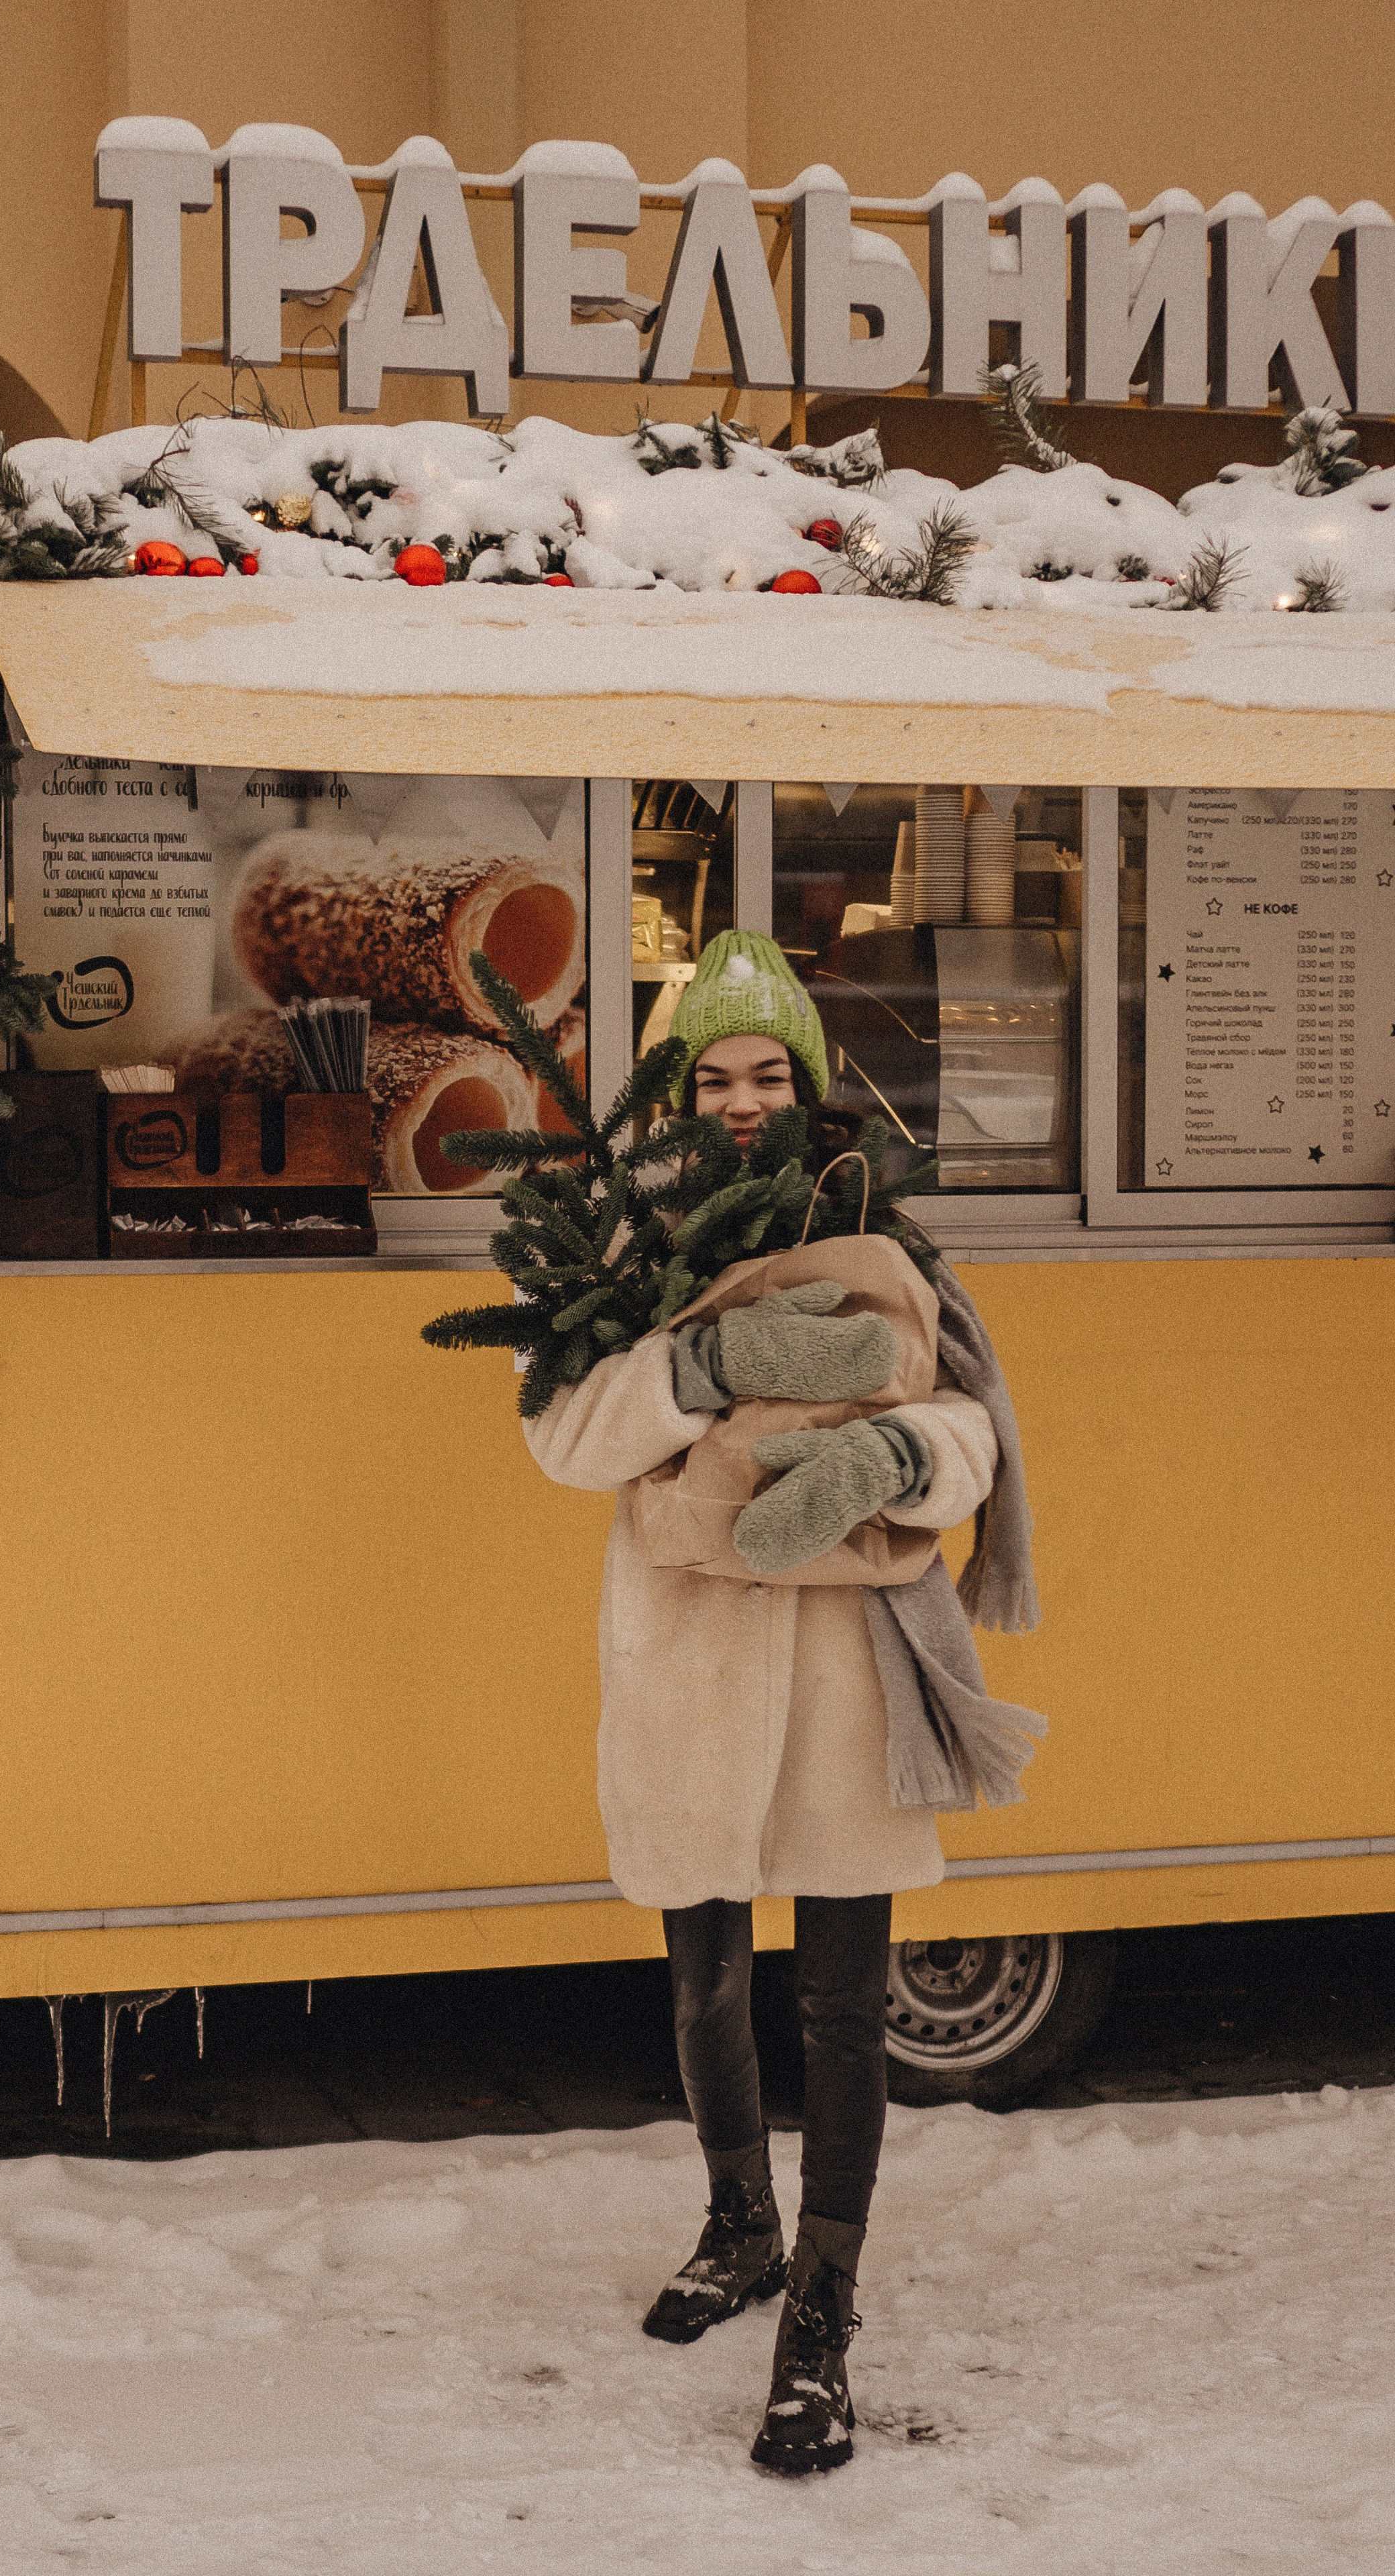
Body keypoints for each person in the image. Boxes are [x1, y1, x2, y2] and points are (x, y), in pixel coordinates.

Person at [523, 929, 1043, 2477]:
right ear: (680, 1092)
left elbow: (966, 1423)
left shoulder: (878, 1234)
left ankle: (823, 2307)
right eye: (716, 1075)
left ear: (809, 1091)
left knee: (836, 1999)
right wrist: (701, 1364)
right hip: (686, 1650)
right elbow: (562, 1440)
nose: (743, 1100)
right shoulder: (626, 1250)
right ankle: (735, 2224)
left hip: (846, 1671)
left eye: (770, 1074)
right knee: (699, 1974)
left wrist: (899, 1460)